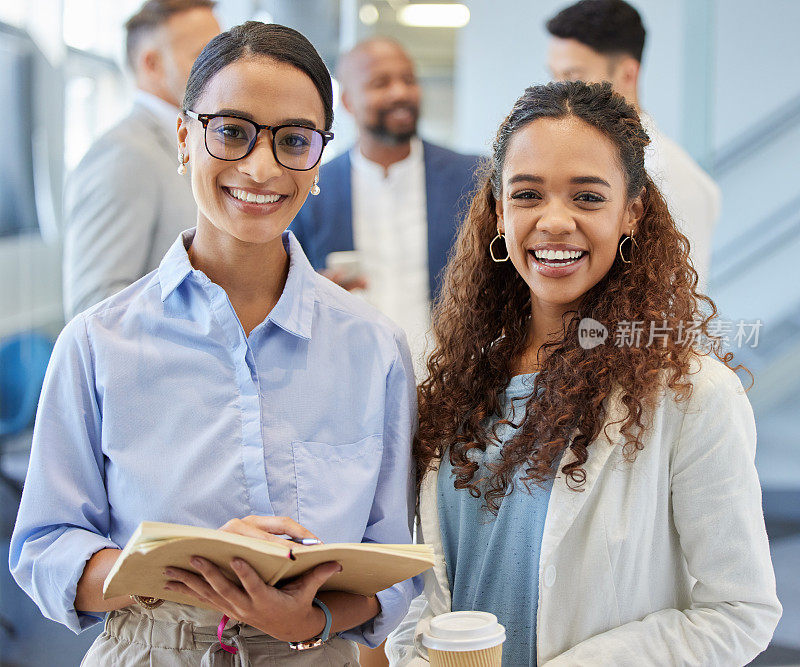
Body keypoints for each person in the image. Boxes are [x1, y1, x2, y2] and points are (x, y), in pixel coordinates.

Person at [11, 21, 418, 665]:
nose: (262, 167)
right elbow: (42, 548)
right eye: (231, 132)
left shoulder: (376, 350)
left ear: (319, 157)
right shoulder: (97, 342)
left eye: (294, 141)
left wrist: (306, 618)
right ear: (184, 139)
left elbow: (394, 567)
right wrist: (182, 566)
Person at [386, 81, 780, 666]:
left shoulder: (691, 396)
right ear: (498, 210)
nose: (553, 222)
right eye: (527, 195)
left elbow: (741, 613)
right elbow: (428, 590)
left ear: (632, 212)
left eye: (588, 198)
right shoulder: (454, 385)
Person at [291, 37, 480, 371]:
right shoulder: (311, 188)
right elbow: (286, 288)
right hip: (349, 378)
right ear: (347, 102)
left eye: (408, 80)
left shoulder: (472, 177)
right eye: (381, 83)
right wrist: (315, 291)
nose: (399, 92)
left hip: (453, 381)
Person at [546, 0, 720, 289]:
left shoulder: (670, 179)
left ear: (627, 74)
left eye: (573, 77)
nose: (558, 91)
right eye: (554, 75)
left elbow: (672, 306)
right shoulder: (571, 154)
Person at [62, 0, 220, 317]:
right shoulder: (124, 153)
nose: (220, 70)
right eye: (203, 57)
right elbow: (93, 307)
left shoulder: (202, 143)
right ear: (151, 64)